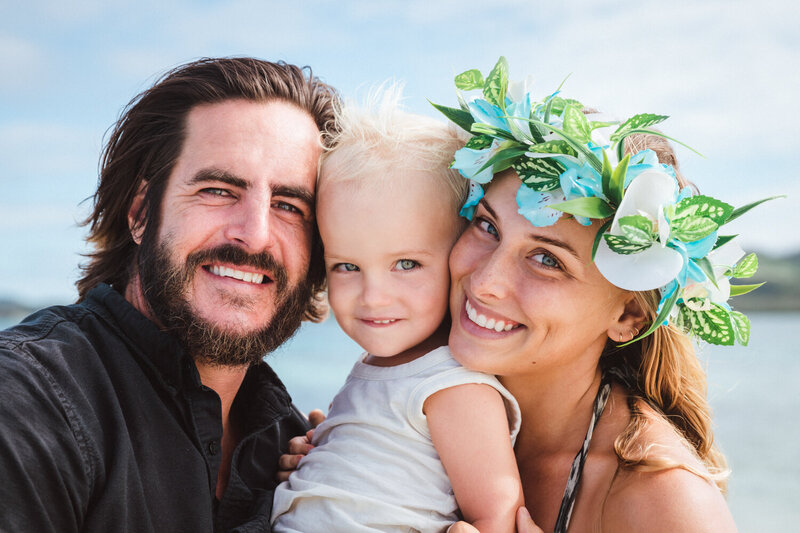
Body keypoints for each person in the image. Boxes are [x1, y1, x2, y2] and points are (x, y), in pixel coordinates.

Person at [0, 57, 337, 532]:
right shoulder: (26, 404)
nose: (256, 234)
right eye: (218, 190)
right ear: (140, 214)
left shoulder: (305, 454)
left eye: (288, 205)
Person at [437, 57, 756, 532]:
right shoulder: (432, 408)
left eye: (548, 260)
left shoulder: (661, 500)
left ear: (629, 313)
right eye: (487, 225)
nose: (485, 282)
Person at [270, 92, 524, 532]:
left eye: (406, 264)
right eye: (347, 266)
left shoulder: (452, 387)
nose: (374, 296)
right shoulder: (381, 367)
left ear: (458, 256)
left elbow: (499, 516)